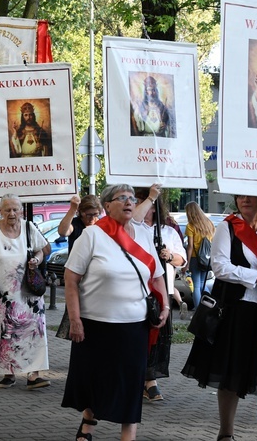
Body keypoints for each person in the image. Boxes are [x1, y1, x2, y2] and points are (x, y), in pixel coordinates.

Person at [181, 194, 257, 441]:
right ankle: (226, 432)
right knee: (230, 374)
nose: (245, 200)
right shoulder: (227, 226)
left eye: (251, 197)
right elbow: (220, 267)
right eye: (240, 196)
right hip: (236, 310)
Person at [61, 184, 167, 441]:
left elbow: (157, 276)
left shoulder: (143, 235)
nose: (129, 202)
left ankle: (127, 437)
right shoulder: (92, 235)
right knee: (92, 381)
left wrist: (164, 305)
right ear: (107, 206)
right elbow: (71, 278)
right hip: (95, 324)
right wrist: (74, 319)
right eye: (122, 198)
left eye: (132, 198)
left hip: (134, 326)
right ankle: (89, 419)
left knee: (131, 385)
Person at [0, 193, 50, 389]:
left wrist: (37, 260)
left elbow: (44, 249)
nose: (12, 213)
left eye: (15, 209)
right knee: (3, 333)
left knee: (33, 331)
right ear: (0, 211)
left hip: (27, 293)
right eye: (7, 210)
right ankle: (8, 373)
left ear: (21, 211)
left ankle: (34, 374)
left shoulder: (28, 227)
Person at [133, 185, 184, 402]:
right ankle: (137, 377)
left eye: (144, 202)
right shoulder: (131, 229)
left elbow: (182, 261)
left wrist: (170, 255)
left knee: (158, 338)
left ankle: (150, 379)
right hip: (137, 291)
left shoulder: (168, 232)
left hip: (161, 291)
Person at [183, 201, 215, 310]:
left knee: (196, 286)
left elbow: (190, 246)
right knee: (202, 284)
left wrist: (186, 263)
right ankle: (209, 307)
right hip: (207, 259)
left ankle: (198, 310)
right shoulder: (209, 224)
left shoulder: (191, 226)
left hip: (195, 259)